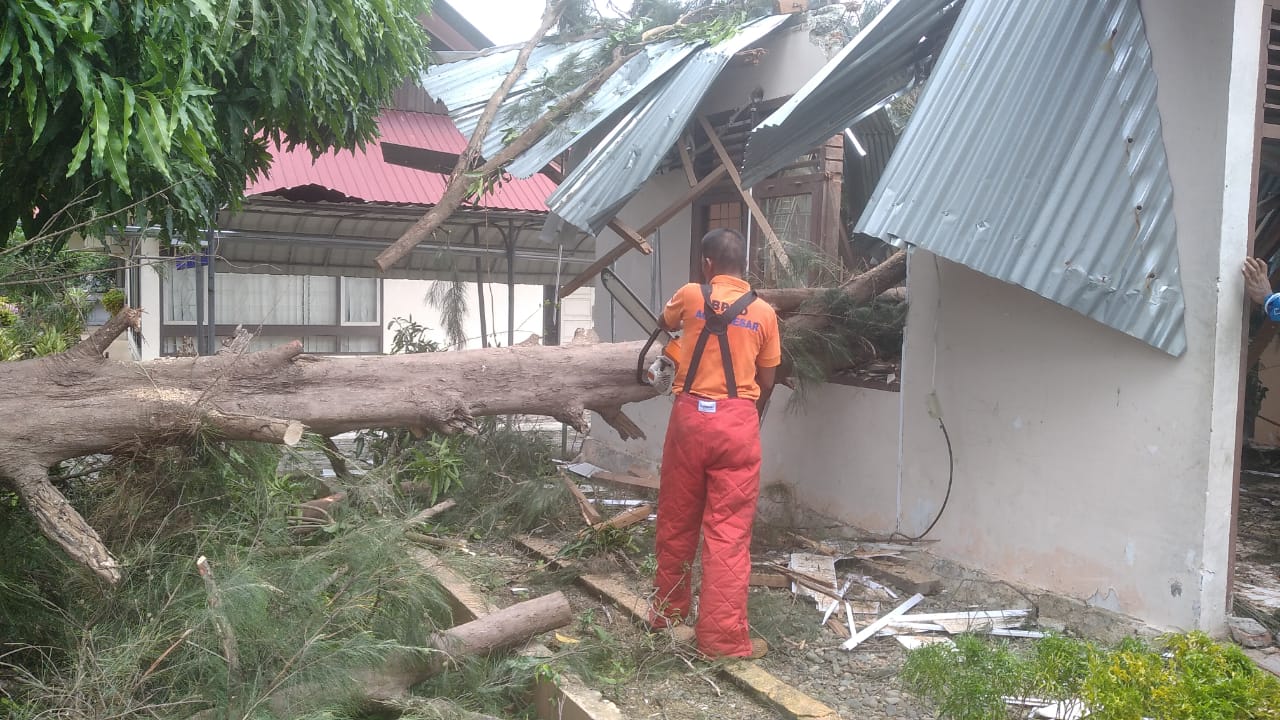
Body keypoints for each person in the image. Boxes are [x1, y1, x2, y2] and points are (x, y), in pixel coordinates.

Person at [649, 228, 780, 659]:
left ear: (708, 265)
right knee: (728, 532)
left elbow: (664, 327)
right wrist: (744, 415)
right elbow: (766, 379)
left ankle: (667, 615)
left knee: (676, 520)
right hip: (738, 424)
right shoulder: (763, 313)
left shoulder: (690, 294)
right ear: (743, 266)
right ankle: (722, 639)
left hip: (689, 420)